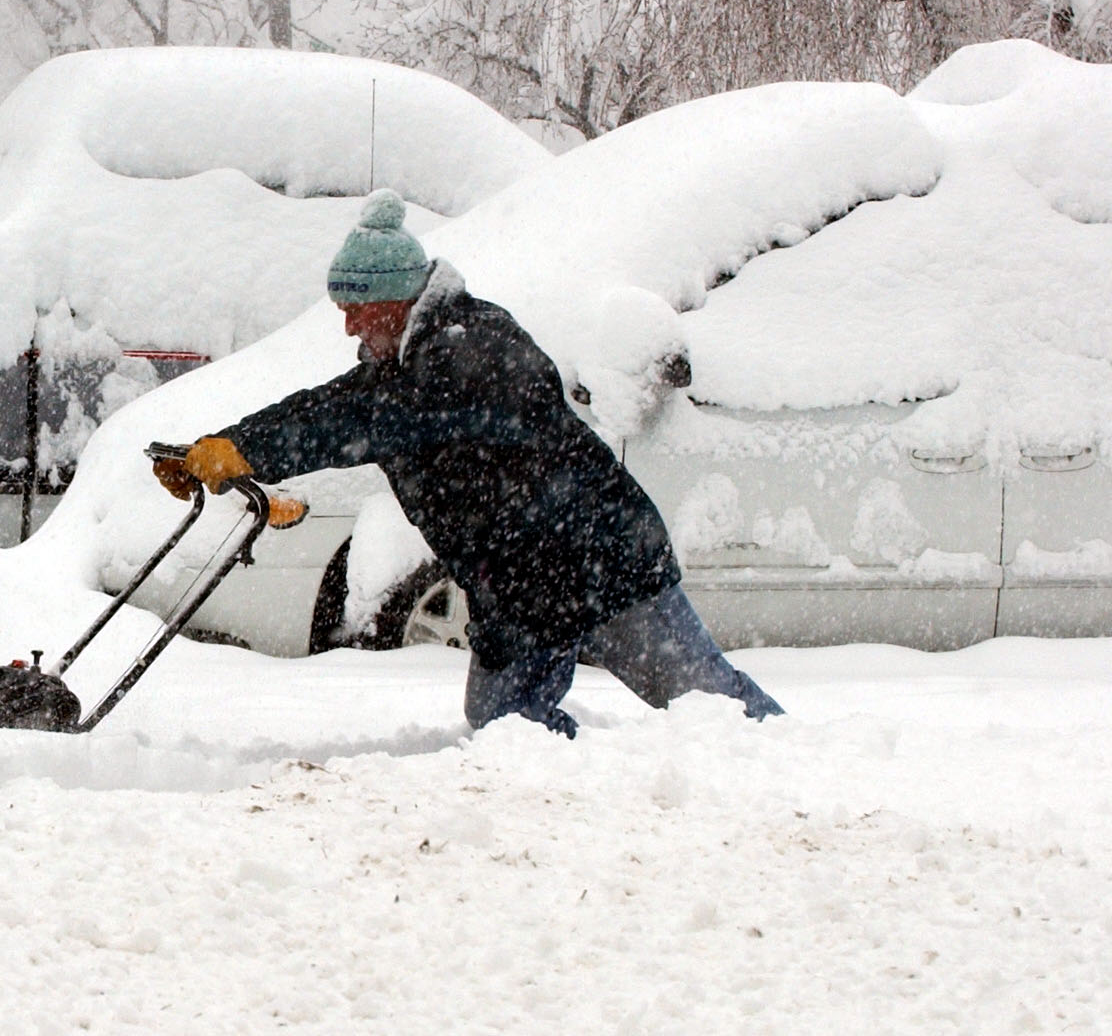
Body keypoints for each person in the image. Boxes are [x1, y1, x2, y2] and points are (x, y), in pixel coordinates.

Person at [155, 189, 783, 737]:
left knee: (711, 707)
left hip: (600, 564)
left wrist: (250, 451)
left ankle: (798, 769)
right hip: (519, 593)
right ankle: (594, 797)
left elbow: (363, 420)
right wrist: (226, 445)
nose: (347, 325)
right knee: (506, 729)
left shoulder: (471, 349)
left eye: (354, 307)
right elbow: (339, 404)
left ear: (395, 300)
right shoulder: (404, 362)